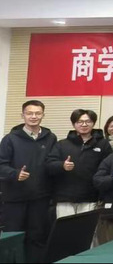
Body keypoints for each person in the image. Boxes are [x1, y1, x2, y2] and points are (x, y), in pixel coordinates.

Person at [0, 100, 57, 262]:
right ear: (22, 115)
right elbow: (1, 165)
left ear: (43, 115)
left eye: (38, 113)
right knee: (13, 239)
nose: (33, 116)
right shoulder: (10, 139)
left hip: (40, 198)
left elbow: (52, 163)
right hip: (14, 199)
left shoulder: (50, 138)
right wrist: (14, 174)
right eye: (29, 113)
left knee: (37, 238)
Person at [47, 108, 112, 218]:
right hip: (65, 197)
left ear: (93, 123)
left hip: (91, 196)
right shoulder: (62, 144)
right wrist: (62, 165)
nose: (84, 124)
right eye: (80, 122)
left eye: (88, 121)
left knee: (87, 228)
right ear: (73, 124)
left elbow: (108, 168)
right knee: (65, 227)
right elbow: (49, 165)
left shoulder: (103, 144)